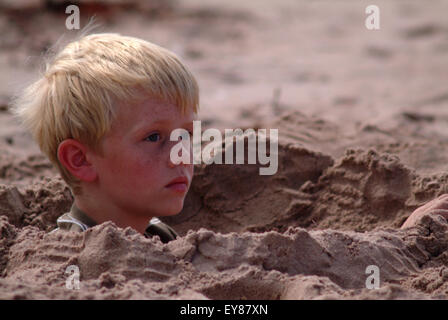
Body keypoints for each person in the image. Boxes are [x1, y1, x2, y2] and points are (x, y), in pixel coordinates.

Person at [12, 33, 199, 243]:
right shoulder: (72, 255)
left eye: (186, 134)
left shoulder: (159, 234)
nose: (181, 154)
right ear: (80, 160)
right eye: (154, 137)